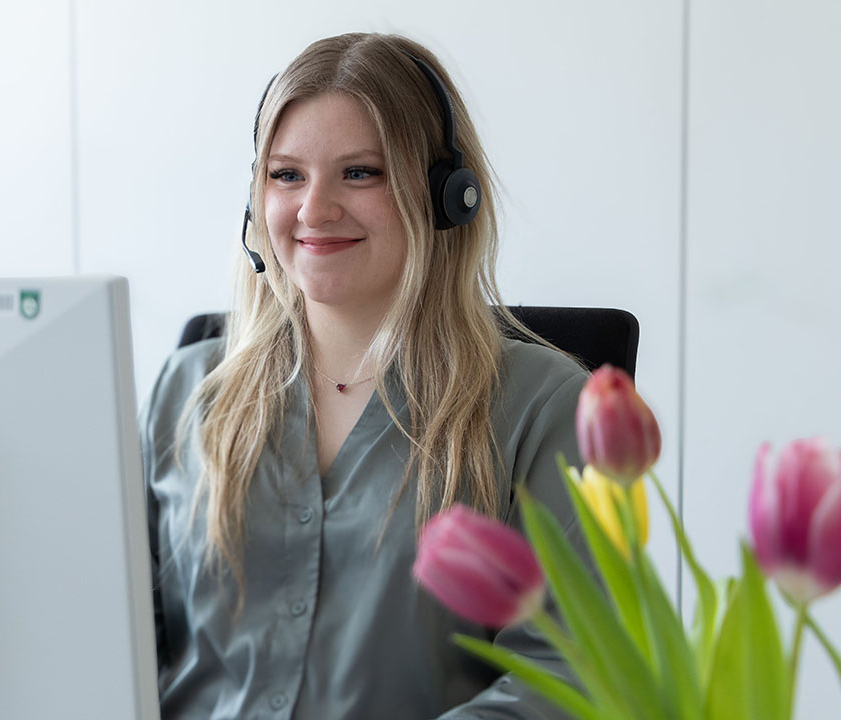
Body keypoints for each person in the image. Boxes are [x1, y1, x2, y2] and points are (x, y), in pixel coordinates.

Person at [140, 32, 587, 719]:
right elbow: (109, 640)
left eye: (360, 173)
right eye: (286, 175)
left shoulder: (539, 407)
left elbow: (566, 679)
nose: (314, 210)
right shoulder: (187, 391)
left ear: (446, 197)